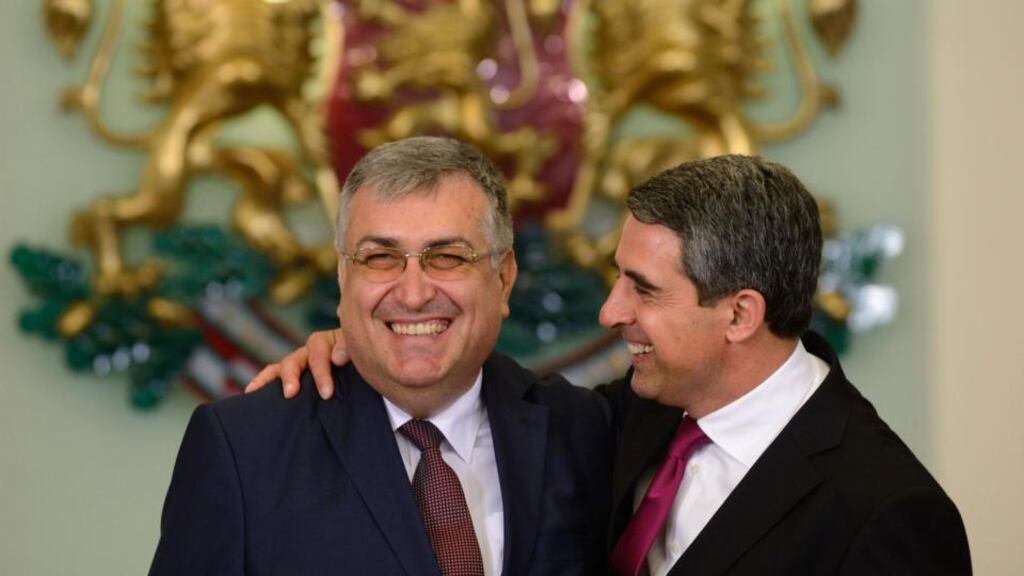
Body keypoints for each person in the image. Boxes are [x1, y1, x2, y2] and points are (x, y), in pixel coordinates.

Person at [250, 154, 972, 575]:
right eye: (618, 277)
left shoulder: (889, 514)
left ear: (740, 314)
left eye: (644, 290)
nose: (611, 312)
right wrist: (367, 350)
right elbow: (508, 399)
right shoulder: (634, 414)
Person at [150, 137, 613, 576]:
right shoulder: (242, 449)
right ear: (343, 278)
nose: (412, 295)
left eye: (447, 256)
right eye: (379, 258)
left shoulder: (584, 428)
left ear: (504, 277)